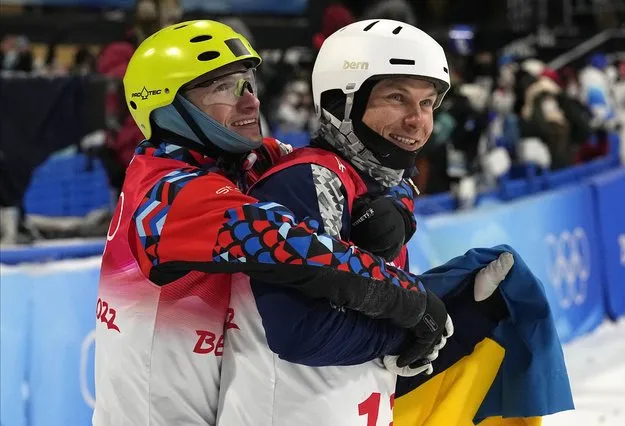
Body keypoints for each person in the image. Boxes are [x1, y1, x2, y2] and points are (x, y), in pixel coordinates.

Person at [92, 20, 454, 425]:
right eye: (221, 88)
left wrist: (398, 206)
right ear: (168, 109)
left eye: (248, 83)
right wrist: (410, 302)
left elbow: (364, 162)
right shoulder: (166, 196)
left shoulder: (246, 159)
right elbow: (300, 249)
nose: (250, 102)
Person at [218, 19, 573, 426]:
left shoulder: (377, 185)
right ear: (342, 104)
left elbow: (366, 320)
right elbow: (301, 333)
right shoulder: (308, 179)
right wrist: (416, 325)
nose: (417, 120)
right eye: (397, 98)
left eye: (426, 104)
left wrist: (459, 310)